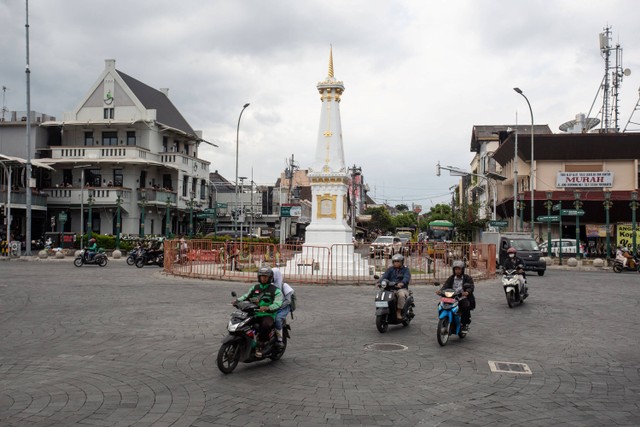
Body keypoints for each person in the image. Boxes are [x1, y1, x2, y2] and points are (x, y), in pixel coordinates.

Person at [234, 267, 283, 357]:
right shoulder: (255, 287)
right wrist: (237, 301)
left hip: (268, 314)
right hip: (255, 313)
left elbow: (278, 303)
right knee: (243, 323)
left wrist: (268, 308)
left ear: (270, 278)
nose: (263, 278)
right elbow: (246, 296)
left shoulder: (275, 290)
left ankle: (260, 345)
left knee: (265, 325)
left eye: (265, 277)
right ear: (258, 277)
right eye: (261, 276)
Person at [437, 260, 475, 332]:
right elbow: (446, 285)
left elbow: (471, 286)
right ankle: (443, 321)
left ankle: (464, 324)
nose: (457, 271)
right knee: (440, 305)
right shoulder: (451, 278)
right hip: (451, 296)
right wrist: (441, 291)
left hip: (462, 297)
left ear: (462, 269)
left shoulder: (467, 278)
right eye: (456, 269)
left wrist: (467, 292)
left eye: (459, 269)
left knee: (466, 306)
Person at [381, 254, 411, 321]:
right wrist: (379, 282)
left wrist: (402, 283)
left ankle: (398, 311)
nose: (396, 263)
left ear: (401, 262)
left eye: (398, 261)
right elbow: (384, 277)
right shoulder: (390, 269)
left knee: (401, 295)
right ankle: (384, 308)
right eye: (395, 261)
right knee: (382, 294)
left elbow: (406, 277)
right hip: (390, 288)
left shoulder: (405, 270)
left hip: (401, 288)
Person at [272, 267, 295, 348]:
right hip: (273, 306)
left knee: (277, 319)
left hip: (284, 307)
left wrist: (278, 306)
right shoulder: (270, 285)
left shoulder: (284, 285)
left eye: (272, 275)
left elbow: (288, 300)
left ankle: (279, 340)